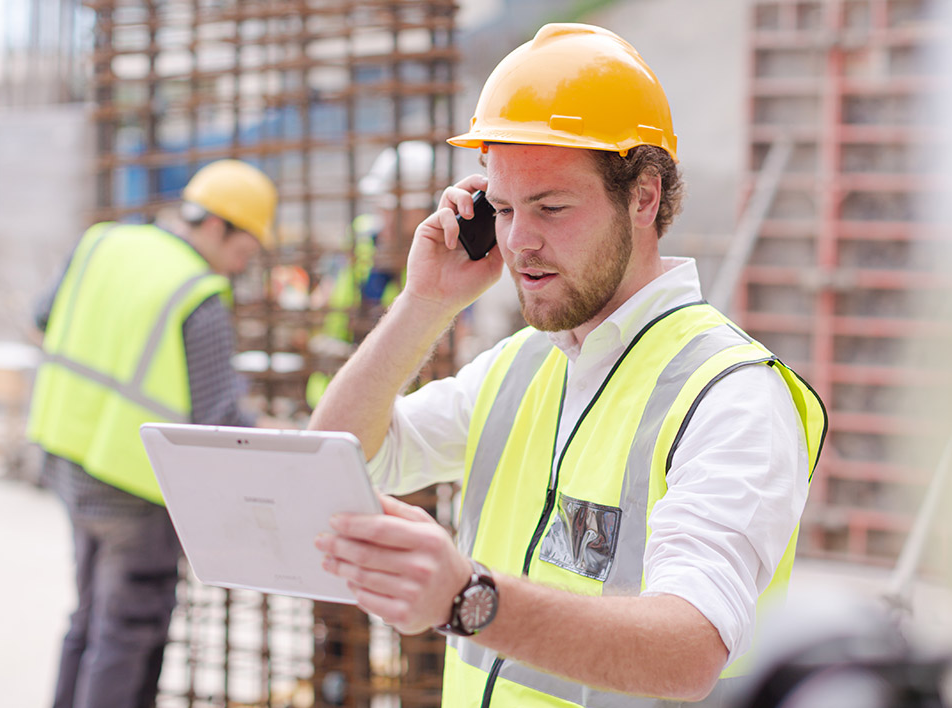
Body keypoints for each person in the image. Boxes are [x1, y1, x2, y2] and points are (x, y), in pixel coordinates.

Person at [310, 23, 826, 706]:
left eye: (551, 207)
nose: (520, 241)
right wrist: (424, 305)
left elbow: (691, 648)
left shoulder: (730, 396)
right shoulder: (520, 368)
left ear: (643, 196)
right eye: (501, 209)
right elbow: (337, 458)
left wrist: (469, 598)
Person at [27, 159, 280, 708]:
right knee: (128, 632)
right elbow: (221, 420)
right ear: (216, 226)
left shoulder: (101, 243)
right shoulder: (199, 294)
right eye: (244, 252)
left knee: (89, 616)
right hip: (132, 487)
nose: (240, 268)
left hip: (66, 459)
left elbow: (42, 317)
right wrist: (282, 432)